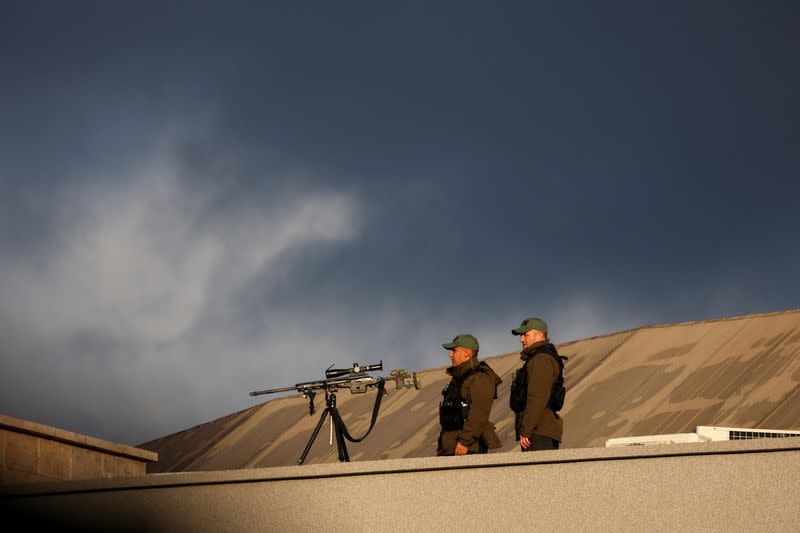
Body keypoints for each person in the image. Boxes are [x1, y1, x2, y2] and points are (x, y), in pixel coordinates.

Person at [437, 333, 503, 456]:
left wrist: (465, 441)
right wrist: (441, 445)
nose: (450, 354)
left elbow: (479, 413)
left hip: (469, 448)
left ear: (467, 353)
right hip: (451, 447)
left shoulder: (479, 377)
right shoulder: (458, 378)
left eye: (454, 350)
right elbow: (448, 416)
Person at [509, 317, 565, 451]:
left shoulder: (541, 359)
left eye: (525, 335)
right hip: (538, 429)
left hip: (539, 431)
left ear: (539, 335)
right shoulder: (538, 358)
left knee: (538, 471)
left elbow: (537, 398)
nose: (521, 339)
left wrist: (527, 429)